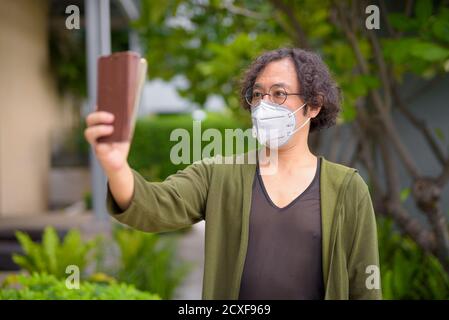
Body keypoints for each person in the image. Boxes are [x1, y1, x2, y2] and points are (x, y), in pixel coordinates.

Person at [84, 47, 382, 300]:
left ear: (313, 105)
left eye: (279, 94)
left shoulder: (347, 188)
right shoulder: (220, 175)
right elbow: (154, 206)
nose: (264, 105)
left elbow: (364, 283)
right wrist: (117, 166)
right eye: (258, 94)